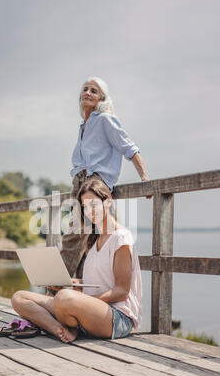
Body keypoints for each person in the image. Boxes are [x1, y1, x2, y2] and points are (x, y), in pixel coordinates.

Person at [9, 178, 143, 343]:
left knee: (64, 298)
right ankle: (59, 329)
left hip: (117, 317)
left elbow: (122, 291)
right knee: (19, 297)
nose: (88, 211)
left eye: (93, 205)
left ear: (108, 202)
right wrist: (74, 283)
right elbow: (98, 281)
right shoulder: (94, 239)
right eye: (84, 207)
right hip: (87, 309)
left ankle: (69, 323)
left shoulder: (120, 238)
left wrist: (81, 299)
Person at [59, 76, 151, 281]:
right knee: (92, 237)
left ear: (102, 98)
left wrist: (144, 178)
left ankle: (54, 287)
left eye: (94, 90)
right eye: (85, 89)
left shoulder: (105, 119)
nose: (88, 93)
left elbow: (129, 148)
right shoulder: (83, 126)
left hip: (96, 181)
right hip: (79, 182)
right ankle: (87, 288)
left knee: (77, 233)